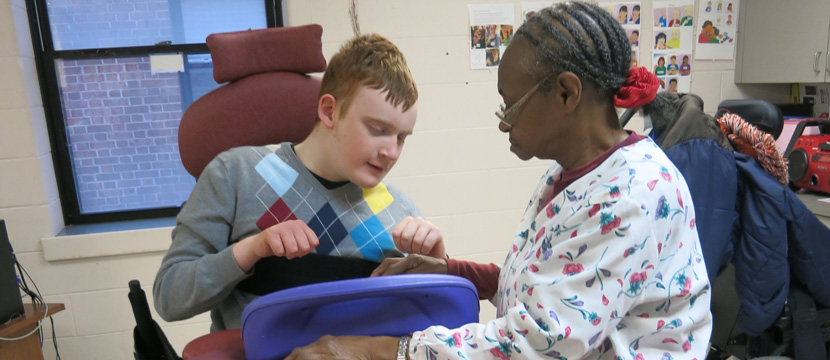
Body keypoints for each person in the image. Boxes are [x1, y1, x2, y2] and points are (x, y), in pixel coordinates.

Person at [286, 2, 712, 359]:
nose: (504, 124)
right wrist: (455, 272)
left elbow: (537, 344)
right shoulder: (569, 172)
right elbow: (555, 274)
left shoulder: (632, 194)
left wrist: (371, 350)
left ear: (566, 93)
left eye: (510, 106)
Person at [153, 34, 446, 332]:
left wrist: (438, 263)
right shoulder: (236, 175)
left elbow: (443, 330)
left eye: (401, 138)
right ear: (329, 112)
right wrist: (253, 248)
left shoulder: (400, 212)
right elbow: (169, 297)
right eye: (378, 129)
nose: (391, 152)